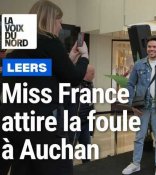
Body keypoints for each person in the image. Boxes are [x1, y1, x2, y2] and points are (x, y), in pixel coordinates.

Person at [0, 1, 89, 175]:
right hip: (43, 123)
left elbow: (43, 73)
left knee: (24, 167)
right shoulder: (49, 42)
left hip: (15, 123)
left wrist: (68, 58)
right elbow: (73, 78)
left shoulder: (19, 47)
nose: (60, 26)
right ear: (49, 20)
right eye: (58, 21)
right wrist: (84, 57)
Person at [122, 35, 156, 175]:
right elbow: (130, 84)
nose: (151, 49)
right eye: (149, 46)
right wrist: (132, 103)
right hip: (142, 107)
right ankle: (135, 163)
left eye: (155, 46)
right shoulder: (139, 64)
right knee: (139, 137)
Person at [68, 64, 95, 163]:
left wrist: (92, 127)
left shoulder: (90, 85)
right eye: (92, 73)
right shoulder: (75, 85)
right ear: (86, 73)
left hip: (86, 124)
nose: (94, 75)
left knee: (86, 152)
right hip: (75, 124)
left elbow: (91, 106)